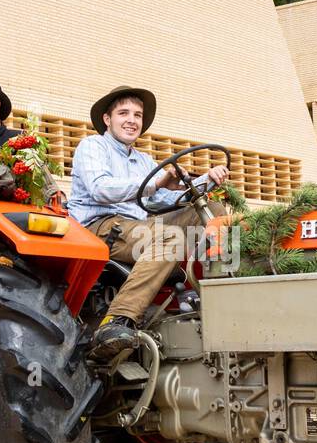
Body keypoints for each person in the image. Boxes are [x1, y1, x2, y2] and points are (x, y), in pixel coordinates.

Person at [69, 86, 228, 359]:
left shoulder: (143, 159)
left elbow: (165, 197)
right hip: (101, 228)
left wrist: (207, 179)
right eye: (124, 113)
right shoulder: (92, 146)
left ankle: (221, 292)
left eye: (138, 115)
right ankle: (116, 321)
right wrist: (156, 183)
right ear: (107, 119)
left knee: (214, 212)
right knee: (171, 238)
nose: (132, 120)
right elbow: (101, 189)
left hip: (139, 226)